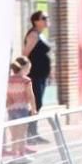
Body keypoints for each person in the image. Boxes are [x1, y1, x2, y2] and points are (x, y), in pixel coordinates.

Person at [23, 11, 51, 143]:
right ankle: (29, 133)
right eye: (44, 18)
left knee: (38, 104)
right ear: (36, 21)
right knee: (36, 103)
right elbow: (25, 53)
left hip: (41, 75)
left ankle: (33, 132)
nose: (46, 20)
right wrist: (22, 72)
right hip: (34, 74)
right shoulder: (33, 35)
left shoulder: (41, 35)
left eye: (47, 17)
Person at [4, 56, 38, 158]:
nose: (29, 70)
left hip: (11, 110)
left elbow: (6, 96)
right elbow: (30, 96)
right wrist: (34, 109)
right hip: (22, 109)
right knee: (22, 133)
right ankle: (22, 154)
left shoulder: (8, 80)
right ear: (22, 68)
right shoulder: (26, 80)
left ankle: (14, 154)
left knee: (14, 134)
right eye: (28, 68)